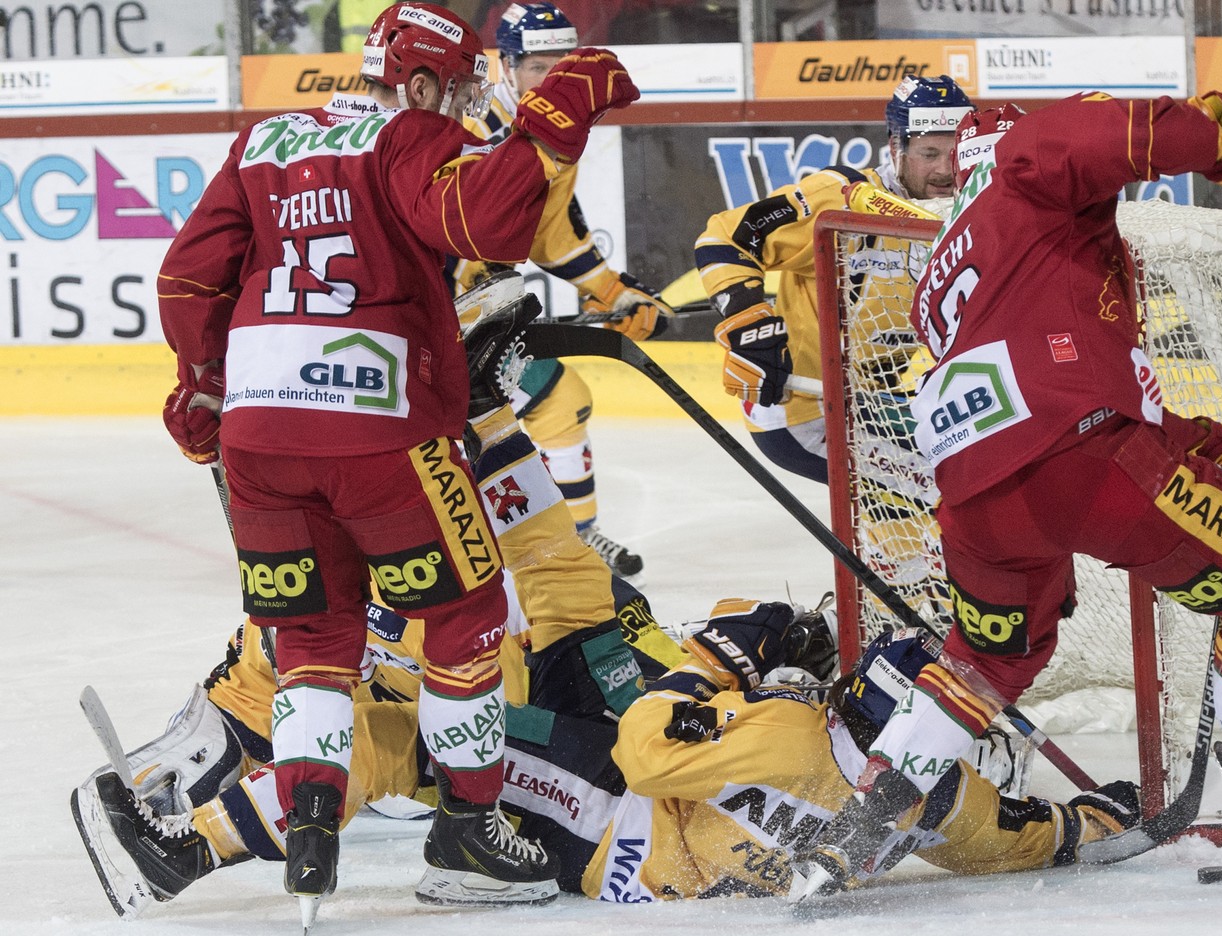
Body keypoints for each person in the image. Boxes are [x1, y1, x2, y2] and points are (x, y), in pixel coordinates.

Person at [790, 92, 1222, 899]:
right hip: (1075, 455)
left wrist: (1206, 454)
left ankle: (866, 821)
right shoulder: (1022, 169)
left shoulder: (956, 260)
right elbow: (1091, 138)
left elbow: (1069, 375)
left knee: (987, 659)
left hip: (976, 500)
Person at [153, 0, 638, 920]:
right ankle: (469, 831)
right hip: (381, 434)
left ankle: (309, 838)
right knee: (464, 619)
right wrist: (561, 109)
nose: (459, 114)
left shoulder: (267, 140)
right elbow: (489, 221)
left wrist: (204, 383)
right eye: (455, 93)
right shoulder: (408, 133)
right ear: (417, 83)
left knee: (312, 643)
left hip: (259, 440)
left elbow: (189, 275)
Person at [75, 598, 1132, 911]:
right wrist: (1098, 824)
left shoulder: (799, 733)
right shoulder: (941, 801)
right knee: (444, 744)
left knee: (414, 743)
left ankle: (190, 848)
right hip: (660, 856)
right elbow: (1013, 843)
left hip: (621, 823)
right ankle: (470, 834)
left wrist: (733, 651)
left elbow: (650, 750)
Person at [452, 1, 675, 583]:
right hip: (436, 319)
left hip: (479, 314)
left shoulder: (552, 132)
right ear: (504, 65)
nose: (550, 83)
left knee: (557, 403)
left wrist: (609, 291)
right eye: (537, 68)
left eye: (562, 69)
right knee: (498, 424)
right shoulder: (472, 132)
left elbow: (551, 234)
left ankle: (567, 546)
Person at [696, 74, 973, 482]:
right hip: (804, 407)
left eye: (955, 154)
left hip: (877, 402)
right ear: (896, 148)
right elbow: (726, 237)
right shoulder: (843, 195)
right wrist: (746, 321)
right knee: (954, 488)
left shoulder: (971, 204)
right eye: (929, 153)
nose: (945, 170)